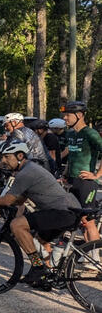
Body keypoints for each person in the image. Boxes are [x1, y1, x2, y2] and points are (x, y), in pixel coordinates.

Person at [0, 140, 81, 287]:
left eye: (7, 157)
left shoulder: (26, 173)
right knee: (39, 242)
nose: (3, 161)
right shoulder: (30, 168)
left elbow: (8, 200)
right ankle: (45, 278)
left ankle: (38, 267)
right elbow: (20, 199)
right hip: (66, 210)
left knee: (17, 225)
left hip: (62, 212)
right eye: (2, 157)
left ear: (20, 156)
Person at [60, 101, 102, 245]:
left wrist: (97, 175)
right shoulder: (70, 134)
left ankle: (95, 253)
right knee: (81, 220)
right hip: (72, 181)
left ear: (79, 115)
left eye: (67, 115)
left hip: (86, 183)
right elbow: (71, 157)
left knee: (89, 221)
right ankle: (86, 251)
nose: (65, 118)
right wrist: (65, 175)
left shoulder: (90, 133)